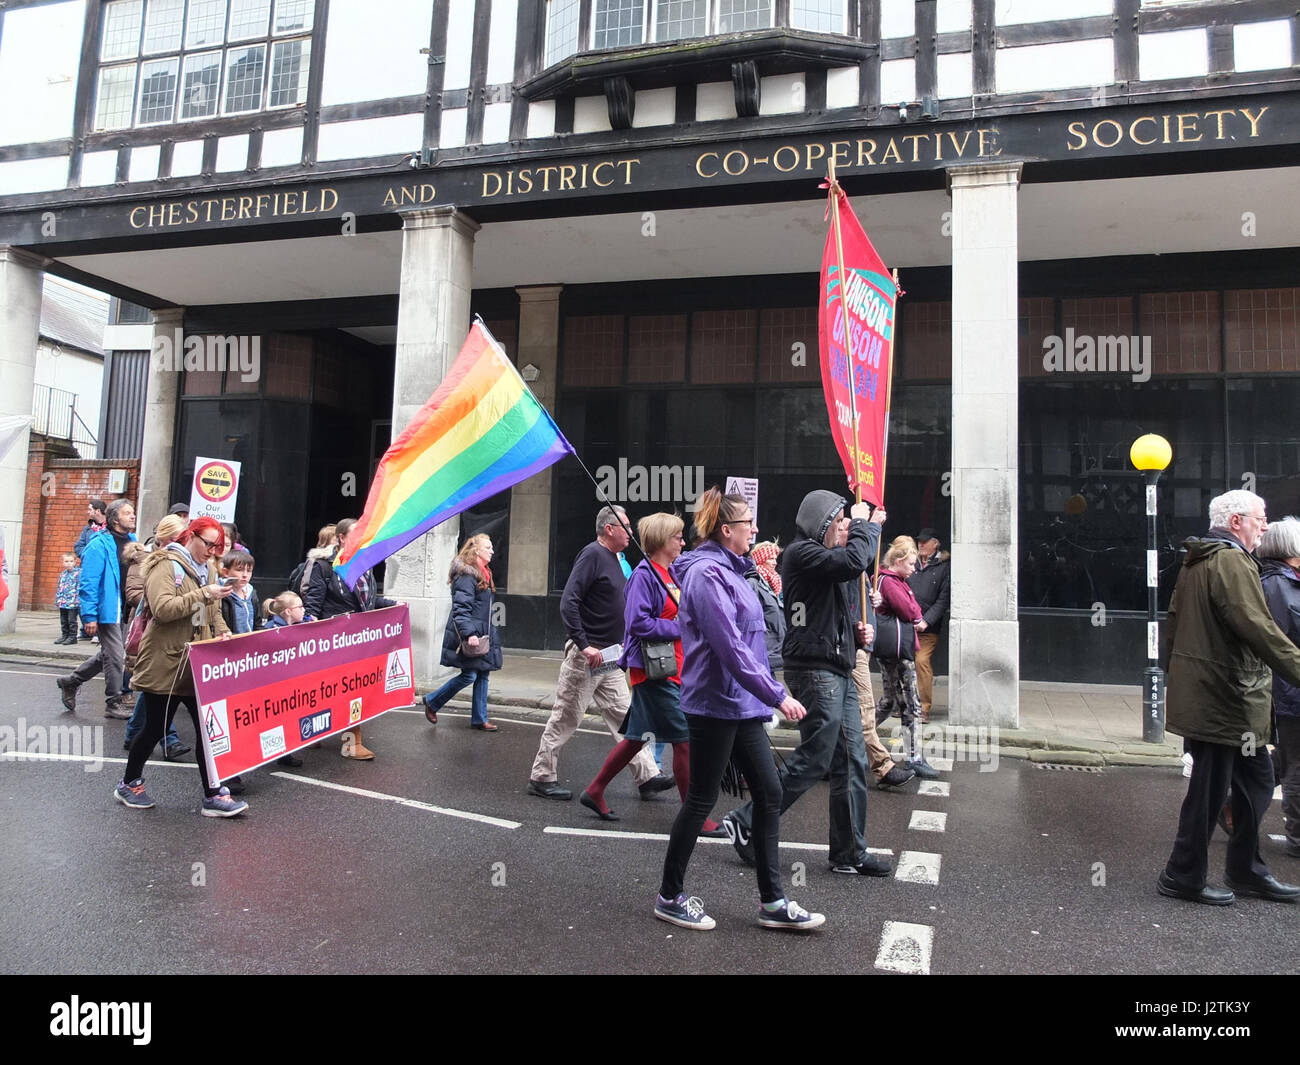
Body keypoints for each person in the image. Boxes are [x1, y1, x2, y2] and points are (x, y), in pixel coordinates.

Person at [655, 487, 823, 931]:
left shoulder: (735, 570)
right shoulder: (707, 575)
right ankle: (669, 896)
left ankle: (773, 902)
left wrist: (764, 692)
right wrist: (777, 694)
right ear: (727, 529)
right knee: (700, 800)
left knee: (769, 794)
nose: (756, 528)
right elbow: (729, 647)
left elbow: (753, 639)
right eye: (749, 522)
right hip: (714, 704)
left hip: (743, 704)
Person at [724, 490, 892, 878]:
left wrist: (858, 633)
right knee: (815, 757)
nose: (844, 529)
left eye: (848, 524)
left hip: (837, 666)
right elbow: (855, 560)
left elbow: (837, 606)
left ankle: (849, 852)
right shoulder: (802, 553)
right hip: (815, 671)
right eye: (840, 522)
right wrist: (867, 524)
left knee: (852, 759)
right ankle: (747, 819)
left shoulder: (828, 560)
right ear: (821, 521)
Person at [1158, 490, 1300, 905]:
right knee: (1209, 791)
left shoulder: (1199, 559)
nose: (1265, 525)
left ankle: (1245, 871)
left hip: (1220, 698)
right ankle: (1182, 876)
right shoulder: (1230, 560)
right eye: (1260, 517)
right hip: (1223, 700)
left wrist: (1179, 679)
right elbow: (1259, 628)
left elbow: (1174, 622)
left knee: (1255, 781)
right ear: (1236, 521)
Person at [579, 512, 726, 836]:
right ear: (662, 540)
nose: (683, 542)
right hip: (654, 671)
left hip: (674, 669)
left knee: (635, 738)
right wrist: (680, 626)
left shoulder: (671, 573)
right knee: (685, 741)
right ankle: (695, 816)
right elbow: (638, 624)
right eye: (677, 537)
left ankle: (595, 790)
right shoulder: (645, 576)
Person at [528, 505, 670, 800]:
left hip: (611, 658)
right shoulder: (593, 554)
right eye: (626, 526)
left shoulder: (616, 559)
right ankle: (541, 776)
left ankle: (648, 777)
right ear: (609, 528)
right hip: (588, 657)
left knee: (626, 718)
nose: (631, 532)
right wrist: (583, 644)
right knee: (566, 716)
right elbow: (568, 601)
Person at [114, 516, 247, 817]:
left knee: (207, 731)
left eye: (217, 547)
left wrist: (222, 631)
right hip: (166, 661)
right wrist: (204, 593)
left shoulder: (208, 569)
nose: (212, 551)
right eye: (208, 544)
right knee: (154, 728)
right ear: (191, 536)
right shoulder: (166, 564)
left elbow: (209, 614)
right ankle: (129, 783)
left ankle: (213, 794)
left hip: (197, 664)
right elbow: (162, 609)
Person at [311, 517, 397, 760]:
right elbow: (314, 604)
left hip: (360, 640)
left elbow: (367, 602)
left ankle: (349, 742)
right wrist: (311, 631)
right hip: (335, 640)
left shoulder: (365, 564)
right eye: (355, 534)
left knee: (354, 689)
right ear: (341, 538)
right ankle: (322, 736)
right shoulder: (325, 566)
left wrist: (394, 605)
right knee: (331, 690)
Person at [56, 498, 137, 718]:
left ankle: (70, 682)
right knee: (115, 655)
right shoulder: (98, 543)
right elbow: (88, 582)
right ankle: (113, 702)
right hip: (106, 609)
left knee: (108, 655)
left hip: (126, 609)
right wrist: (89, 616)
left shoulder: (133, 541)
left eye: (133, 512)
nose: (132, 515)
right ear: (114, 518)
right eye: (127, 512)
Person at [874, 536, 941, 780]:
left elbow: (913, 609)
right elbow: (909, 610)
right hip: (898, 652)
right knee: (910, 704)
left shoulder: (891, 580)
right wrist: (916, 615)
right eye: (911, 564)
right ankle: (913, 758)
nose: (913, 569)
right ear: (899, 561)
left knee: (890, 702)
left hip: (892, 650)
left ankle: (853, 738)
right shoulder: (891, 583)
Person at [122, 515, 189, 759]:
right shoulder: (144, 559)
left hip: (172, 634)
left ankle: (133, 733)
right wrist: (160, 598)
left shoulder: (183, 562)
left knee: (157, 690)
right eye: (176, 539)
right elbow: (133, 593)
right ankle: (169, 740)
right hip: (150, 630)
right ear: (164, 538)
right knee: (162, 689)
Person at [422, 534, 502, 732]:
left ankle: (479, 719)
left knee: (483, 673)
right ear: (476, 551)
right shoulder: (467, 574)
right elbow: (461, 608)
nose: (492, 551)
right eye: (488, 547)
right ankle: (432, 701)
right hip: (472, 633)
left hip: (483, 631)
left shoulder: (484, 571)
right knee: (470, 676)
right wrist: (469, 634)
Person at [1257, 516, 1300, 859]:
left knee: (1286, 758)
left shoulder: (1277, 582)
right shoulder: (1282, 588)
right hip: (1291, 690)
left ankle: (1231, 806)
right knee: (1296, 763)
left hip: (1284, 688)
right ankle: (1298, 835)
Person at [908, 527, 950, 723]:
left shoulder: (943, 567)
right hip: (906, 625)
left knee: (921, 661)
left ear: (936, 543)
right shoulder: (911, 562)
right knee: (899, 663)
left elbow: (943, 600)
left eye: (926, 541)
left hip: (927, 629)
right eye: (919, 541)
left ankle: (924, 708)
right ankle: (904, 705)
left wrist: (926, 621)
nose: (921, 544)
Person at [744, 540, 785, 676]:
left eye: (775, 559)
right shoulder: (753, 583)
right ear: (761, 559)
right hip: (763, 655)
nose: (775, 563)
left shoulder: (776, 584)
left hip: (777, 654)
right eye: (770, 559)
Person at [73, 498, 106, 640]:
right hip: (88, 568)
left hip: (104, 571)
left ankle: (99, 631)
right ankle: (86, 628)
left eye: (90, 509)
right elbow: (78, 546)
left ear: (98, 511)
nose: (88, 512)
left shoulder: (109, 528)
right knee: (86, 595)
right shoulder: (88, 529)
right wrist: (88, 556)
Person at [218, 549, 262, 634]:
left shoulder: (252, 594)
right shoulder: (221, 595)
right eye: (239, 570)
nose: (245, 575)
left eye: (249, 571)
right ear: (226, 572)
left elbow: (258, 624)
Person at [54, 552, 79, 645]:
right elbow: (60, 587)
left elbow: (79, 587)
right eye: (66, 561)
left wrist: (78, 599)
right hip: (63, 601)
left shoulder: (78, 573)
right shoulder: (63, 574)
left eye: (71, 561)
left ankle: (72, 637)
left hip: (73, 602)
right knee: (63, 620)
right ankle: (65, 635)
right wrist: (58, 599)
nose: (69, 563)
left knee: (71, 620)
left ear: (75, 562)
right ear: (63, 563)